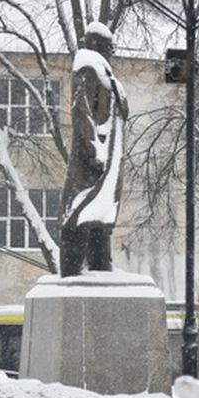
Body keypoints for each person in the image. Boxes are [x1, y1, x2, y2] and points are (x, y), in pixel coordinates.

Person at [60, 21, 129, 277]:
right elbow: (83, 112)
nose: (110, 50)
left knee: (101, 211)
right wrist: (93, 150)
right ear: (96, 44)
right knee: (79, 210)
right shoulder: (88, 67)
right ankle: (73, 267)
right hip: (94, 159)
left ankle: (100, 262)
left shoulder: (105, 73)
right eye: (107, 46)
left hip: (109, 158)